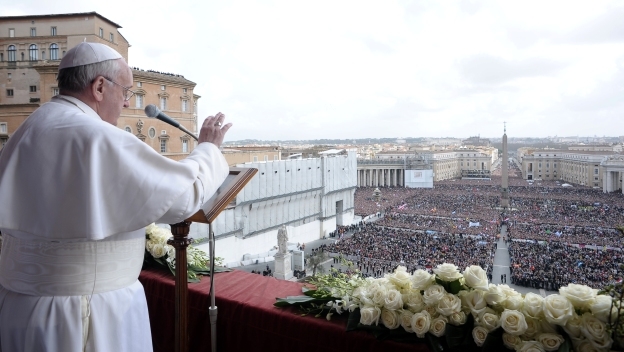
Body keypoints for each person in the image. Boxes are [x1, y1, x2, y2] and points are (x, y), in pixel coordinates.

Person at [0, 42, 231, 352]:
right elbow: (182, 197)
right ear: (98, 86)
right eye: (125, 92)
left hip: (20, 307)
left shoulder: (26, 130)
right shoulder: (96, 136)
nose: (125, 103)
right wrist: (208, 150)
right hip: (86, 312)